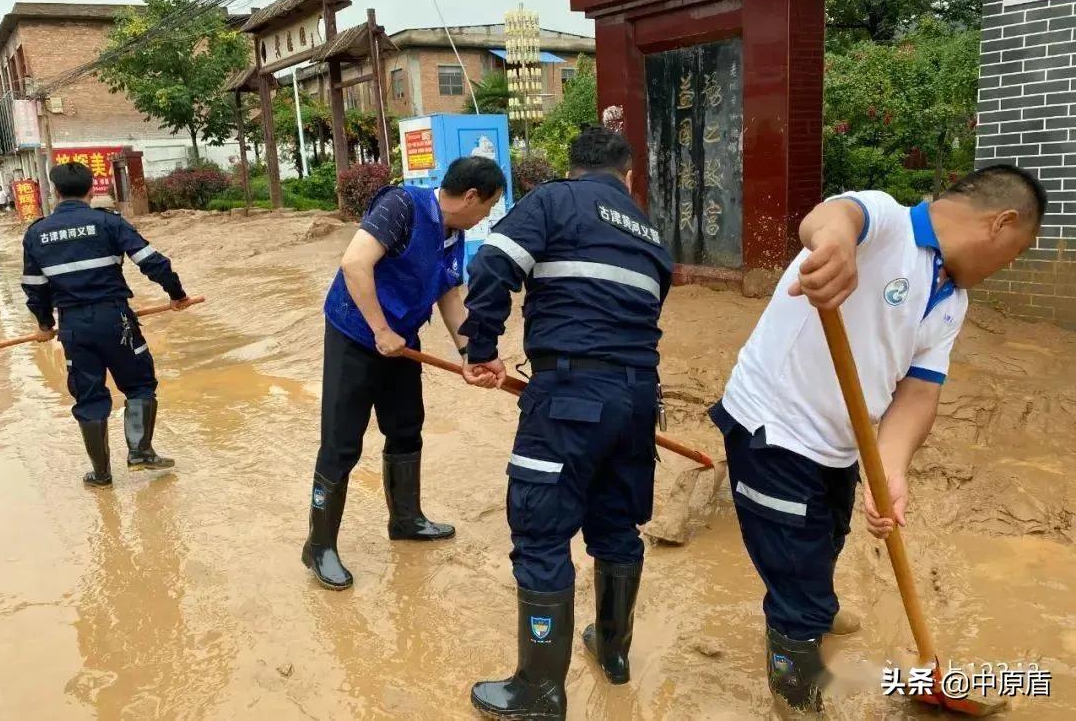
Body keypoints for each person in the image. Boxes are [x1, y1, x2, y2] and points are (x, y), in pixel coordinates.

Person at [707, 165, 1047, 717]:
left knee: (830, 531)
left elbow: (918, 392)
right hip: (774, 430)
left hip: (843, 440)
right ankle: (796, 684)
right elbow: (832, 218)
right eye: (1015, 254)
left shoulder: (952, 300)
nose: (1005, 268)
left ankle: (817, 603)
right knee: (795, 565)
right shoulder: (888, 222)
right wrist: (836, 246)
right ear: (1001, 223)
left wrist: (891, 470)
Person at [461, 127, 674, 720]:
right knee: (617, 524)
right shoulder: (649, 233)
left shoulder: (555, 200)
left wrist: (482, 348)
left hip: (570, 397)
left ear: (574, 167)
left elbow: (492, 263)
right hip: (637, 401)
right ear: (627, 175)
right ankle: (613, 651)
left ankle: (539, 691)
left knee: (540, 532)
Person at [304, 156, 506, 591]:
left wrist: (471, 353)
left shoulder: (454, 234)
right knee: (341, 443)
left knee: (406, 429)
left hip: (401, 342)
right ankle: (319, 545)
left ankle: (405, 520)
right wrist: (380, 330)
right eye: (489, 206)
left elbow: (449, 295)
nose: (487, 216)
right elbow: (354, 263)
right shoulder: (402, 205)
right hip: (356, 334)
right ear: (471, 196)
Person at [20, 162, 191, 488]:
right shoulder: (108, 222)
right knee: (139, 383)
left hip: (73, 327)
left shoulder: (36, 234)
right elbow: (152, 262)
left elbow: (34, 287)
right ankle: (139, 452)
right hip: (116, 320)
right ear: (91, 190)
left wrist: (44, 324)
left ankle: (101, 475)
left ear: (55, 192)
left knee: (88, 396)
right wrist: (176, 294)